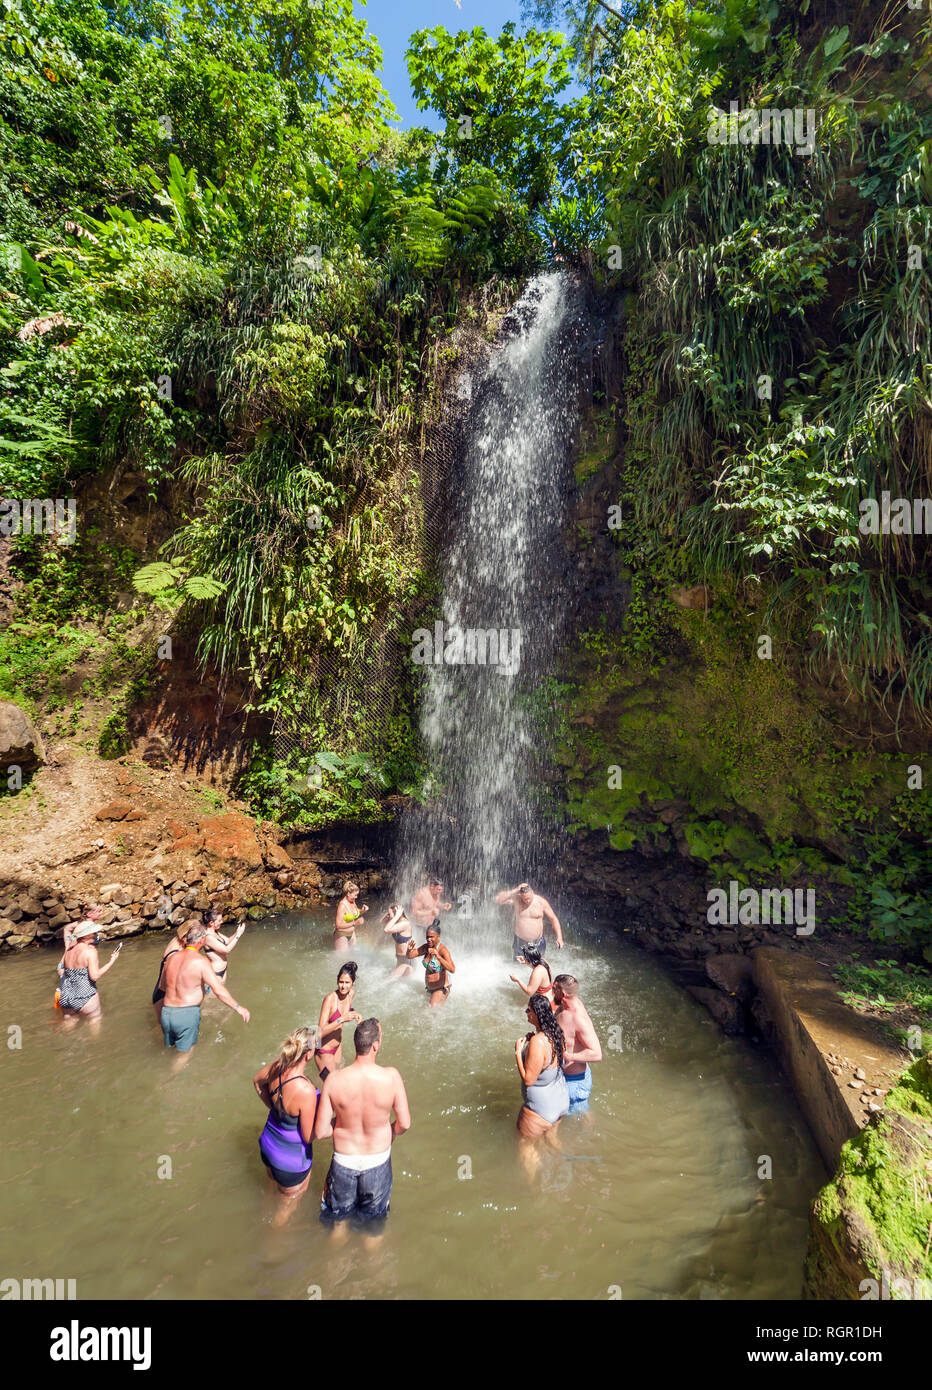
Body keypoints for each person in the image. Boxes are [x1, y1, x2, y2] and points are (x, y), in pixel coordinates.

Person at [313, 1017, 411, 1228]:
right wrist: (390, 1133)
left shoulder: (334, 1080)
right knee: (372, 1230)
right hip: (377, 1162)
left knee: (338, 1225)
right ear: (375, 1046)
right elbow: (404, 1123)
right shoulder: (391, 1077)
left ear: (356, 1044)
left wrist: (343, 1121)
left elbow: (321, 1132)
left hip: (344, 1162)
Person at [254, 1025, 320, 1220]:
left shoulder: (277, 1066)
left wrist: (275, 1109)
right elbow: (308, 1136)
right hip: (290, 1162)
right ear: (308, 1055)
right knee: (284, 1211)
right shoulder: (306, 1090)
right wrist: (330, 1125)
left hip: (267, 1145)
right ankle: (272, 1248)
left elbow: (257, 1082)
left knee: (271, 1190)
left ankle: (261, 1221)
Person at [159, 923, 250, 1057]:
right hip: (186, 1014)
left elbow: (162, 986)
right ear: (202, 941)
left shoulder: (172, 958)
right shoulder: (201, 961)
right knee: (184, 1056)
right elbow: (218, 990)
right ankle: (172, 1077)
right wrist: (238, 1007)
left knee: (168, 1051)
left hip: (166, 1012)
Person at [515, 994, 569, 1172]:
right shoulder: (555, 1033)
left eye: (529, 1010)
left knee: (526, 1147)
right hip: (559, 1103)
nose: (526, 1012)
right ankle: (567, 1167)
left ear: (537, 1015)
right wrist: (532, 1043)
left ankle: (534, 1191)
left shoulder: (538, 1042)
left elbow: (529, 1080)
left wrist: (518, 1052)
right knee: (551, 1142)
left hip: (540, 1111)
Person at [57, 911, 122, 1020]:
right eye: (94, 933)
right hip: (86, 996)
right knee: (95, 1023)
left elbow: (62, 969)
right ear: (86, 935)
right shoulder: (90, 951)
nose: (96, 935)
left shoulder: (69, 950)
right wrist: (112, 961)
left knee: (67, 1029)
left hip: (66, 996)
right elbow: (94, 976)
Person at [552, 974, 602, 1114]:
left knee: (581, 1118)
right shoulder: (564, 1006)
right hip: (562, 1076)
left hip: (574, 1082)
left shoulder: (577, 1017)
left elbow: (597, 1053)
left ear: (562, 993)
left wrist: (569, 1056)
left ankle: (591, 1135)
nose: (551, 990)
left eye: (554, 988)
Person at [315, 962, 362, 1082]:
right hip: (324, 1050)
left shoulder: (351, 994)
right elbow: (319, 1033)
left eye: (347, 983)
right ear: (337, 981)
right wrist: (342, 1019)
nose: (343, 986)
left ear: (353, 983)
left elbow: (346, 1010)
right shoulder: (330, 999)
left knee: (341, 1083)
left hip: (337, 1047)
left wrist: (354, 1013)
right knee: (332, 1086)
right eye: (341, 982)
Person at [495, 882, 564, 961]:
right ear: (520, 896)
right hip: (520, 942)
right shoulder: (517, 899)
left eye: (529, 898)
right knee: (518, 966)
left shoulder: (541, 902)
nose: (527, 901)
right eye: (525, 899)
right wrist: (515, 890)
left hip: (538, 942)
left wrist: (559, 937)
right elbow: (499, 899)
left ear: (532, 893)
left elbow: (553, 918)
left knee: (538, 966)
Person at [406, 925, 455, 1006]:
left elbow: (452, 969)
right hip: (429, 989)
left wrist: (438, 957)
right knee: (430, 1014)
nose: (429, 939)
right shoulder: (426, 947)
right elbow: (410, 956)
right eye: (427, 937)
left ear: (438, 937)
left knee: (430, 1012)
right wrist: (408, 950)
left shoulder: (443, 950)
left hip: (441, 989)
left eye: (431, 937)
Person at [151, 920, 189, 1021]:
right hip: (163, 996)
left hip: (162, 993)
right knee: (162, 1031)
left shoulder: (177, 940)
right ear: (186, 935)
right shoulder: (175, 953)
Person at [202, 906, 246, 993]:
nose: (222, 922)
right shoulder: (208, 937)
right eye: (219, 920)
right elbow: (226, 950)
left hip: (222, 970)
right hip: (216, 973)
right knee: (211, 1000)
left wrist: (238, 931)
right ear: (211, 923)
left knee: (219, 998)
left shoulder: (215, 932)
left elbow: (227, 941)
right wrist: (239, 935)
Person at [381, 903, 414, 978]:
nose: (388, 916)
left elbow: (386, 930)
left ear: (397, 914)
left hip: (407, 961)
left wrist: (396, 916)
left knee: (388, 980)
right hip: (400, 960)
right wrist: (389, 914)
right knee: (398, 983)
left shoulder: (405, 923)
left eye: (389, 914)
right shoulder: (396, 922)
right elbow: (382, 922)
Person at [334, 881, 368, 950]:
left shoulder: (352, 902)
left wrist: (363, 911)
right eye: (355, 895)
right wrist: (354, 923)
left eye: (357, 895)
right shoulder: (342, 905)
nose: (356, 897)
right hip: (341, 936)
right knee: (342, 959)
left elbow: (355, 913)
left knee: (353, 956)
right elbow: (338, 925)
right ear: (348, 894)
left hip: (352, 935)